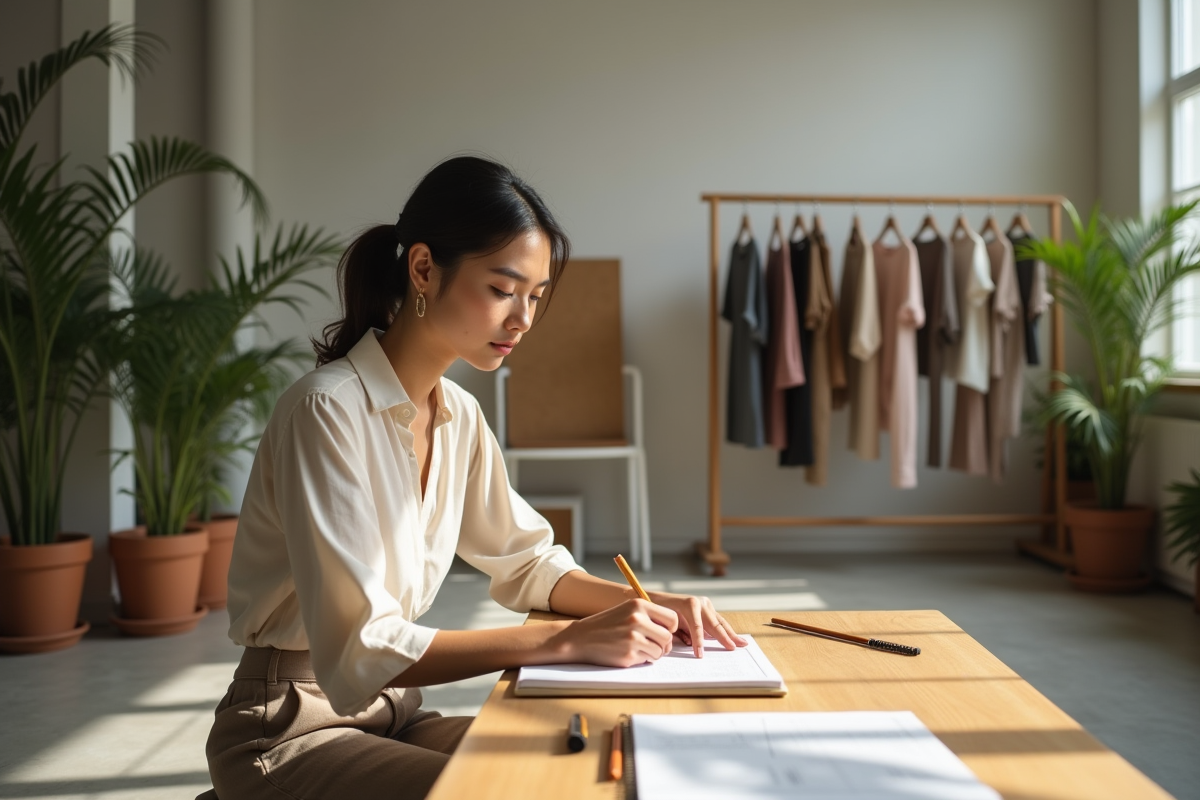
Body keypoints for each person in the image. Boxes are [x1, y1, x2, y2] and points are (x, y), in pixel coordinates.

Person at [205, 155, 745, 800]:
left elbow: (528, 563)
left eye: (536, 297)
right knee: (517, 792)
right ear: (425, 269)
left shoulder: (457, 413)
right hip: (289, 729)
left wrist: (646, 605)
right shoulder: (326, 410)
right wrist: (562, 643)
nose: (522, 319)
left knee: (593, 768)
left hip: (395, 713)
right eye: (501, 289)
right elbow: (361, 645)